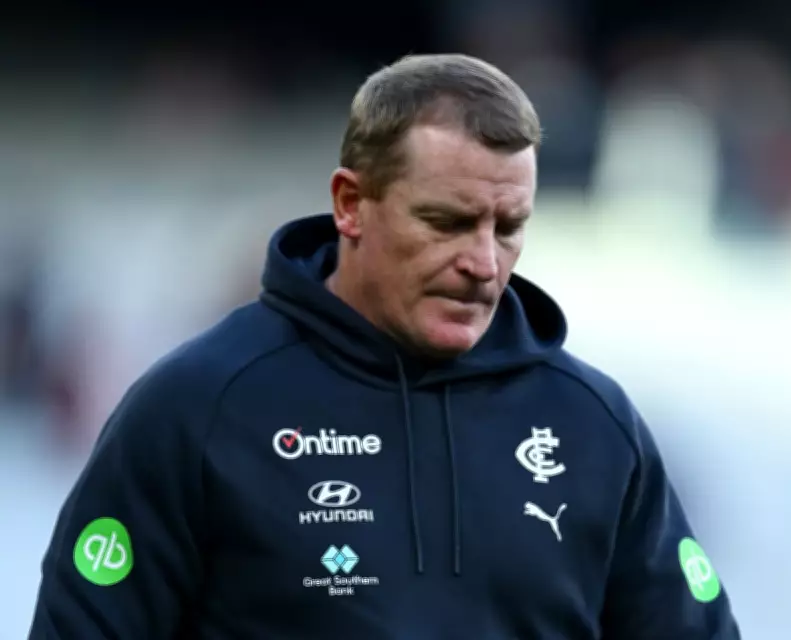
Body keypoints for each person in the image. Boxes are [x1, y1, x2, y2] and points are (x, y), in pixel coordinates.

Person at [28, 53, 740, 639]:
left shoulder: (592, 425)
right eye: (447, 221)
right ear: (350, 204)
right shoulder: (198, 407)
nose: (484, 262)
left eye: (508, 227)